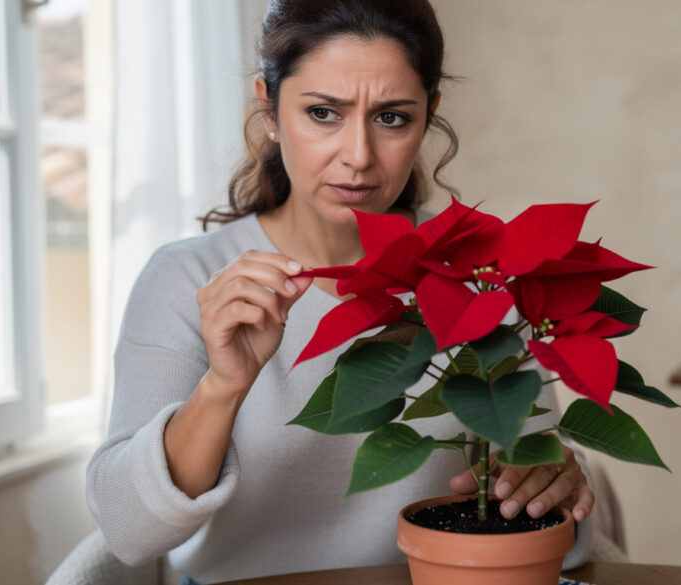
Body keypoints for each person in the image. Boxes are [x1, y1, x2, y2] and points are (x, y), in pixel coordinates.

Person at [86, 1, 596, 582]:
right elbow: (127, 533)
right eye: (323, 113)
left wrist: (555, 486)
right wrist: (222, 388)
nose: (358, 156)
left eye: (391, 118)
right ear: (269, 108)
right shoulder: (186, 279)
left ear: (428, 115)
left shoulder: (477, 272)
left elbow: (554, 523)